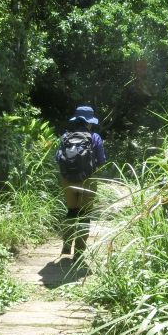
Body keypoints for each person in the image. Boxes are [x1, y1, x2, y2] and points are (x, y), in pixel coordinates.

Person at [57, 106, 106, 261]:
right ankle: (78, 253)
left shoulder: (65, 136)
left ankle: (66, 245)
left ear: (76, 119)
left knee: (71, 211)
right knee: (85, 214)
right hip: (88, 179)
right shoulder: (95, 137)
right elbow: (102, 161)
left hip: (67, 179)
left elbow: (57, 158)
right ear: (89, 122)